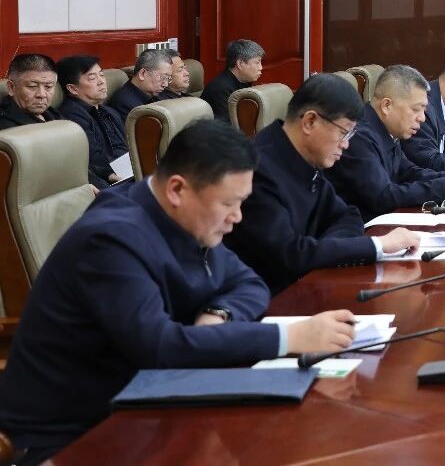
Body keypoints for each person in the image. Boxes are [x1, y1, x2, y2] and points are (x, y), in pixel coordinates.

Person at [0, 120, 359, 463]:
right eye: (228, 204)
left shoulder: (181, 217)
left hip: (147, 404)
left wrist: (219, 314)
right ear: (177, 189)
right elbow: (160, 346)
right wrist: (289, 337)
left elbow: (249, 283)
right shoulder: (110, 239)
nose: (237, 217)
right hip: (74, 435)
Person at [222, 73, 419, 294]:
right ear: (310, 121)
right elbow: (290, 256)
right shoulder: (256, 170)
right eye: (343, 133)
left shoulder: (301, 156)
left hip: (309, 286)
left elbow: (348, 216)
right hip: (268, 299)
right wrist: (379, 246)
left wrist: (322, 252)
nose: (346, 145)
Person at [328, 65, 445, 222]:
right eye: (416, 109)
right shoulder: (359, 136)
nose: (422, 118)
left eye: (424, 110)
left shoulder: (387, 130)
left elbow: (408, 172)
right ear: (387, 105)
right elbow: (383, 196)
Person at [56, 55, 130, 188]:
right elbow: (93, 159)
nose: (101, 81)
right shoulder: (71, 115)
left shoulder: (110, 112)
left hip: (128, 171)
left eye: (101, 75)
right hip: (109, 181)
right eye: (92, 78)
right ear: (73, 88)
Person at [202, 39, 265, 122]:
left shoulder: (245, 82)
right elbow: (226, 127)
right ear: (240, 64)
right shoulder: (220, 89)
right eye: (257, 62)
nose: (261, 68)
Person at [0, 54, 62, 130]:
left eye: (48, 86)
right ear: (11, 87)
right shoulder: (7, 128)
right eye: (32, 86)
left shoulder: (52, 114)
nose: (42, 95)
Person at [107, 49, 171, 118]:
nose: (166, 84)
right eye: (163, 77)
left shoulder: (157, 95)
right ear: (142, 73)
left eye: (168, 78)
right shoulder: (124, 104)